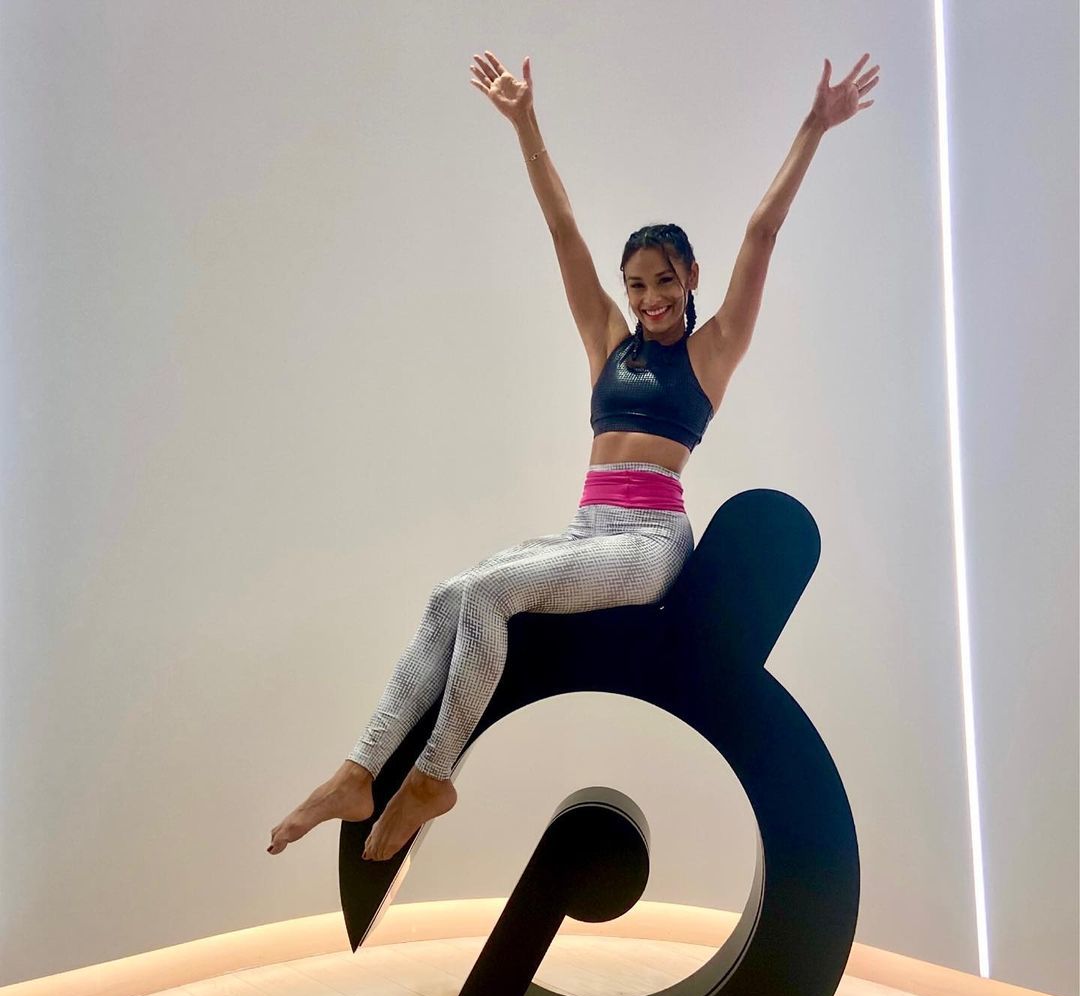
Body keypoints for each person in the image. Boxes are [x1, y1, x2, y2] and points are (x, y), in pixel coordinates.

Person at [267, 48, 879, 863]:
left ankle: (432, 776)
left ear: (692, 277)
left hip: (650, 543)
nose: (650, 299)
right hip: (588, 528)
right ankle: (359, 769)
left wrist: (814, 126)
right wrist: (525, 121)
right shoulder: (608, 344)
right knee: (451, 596)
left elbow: (762, 232)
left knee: (488, 595)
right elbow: (562, 230)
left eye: (664, 282)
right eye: (636, 285)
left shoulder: (712, 352)